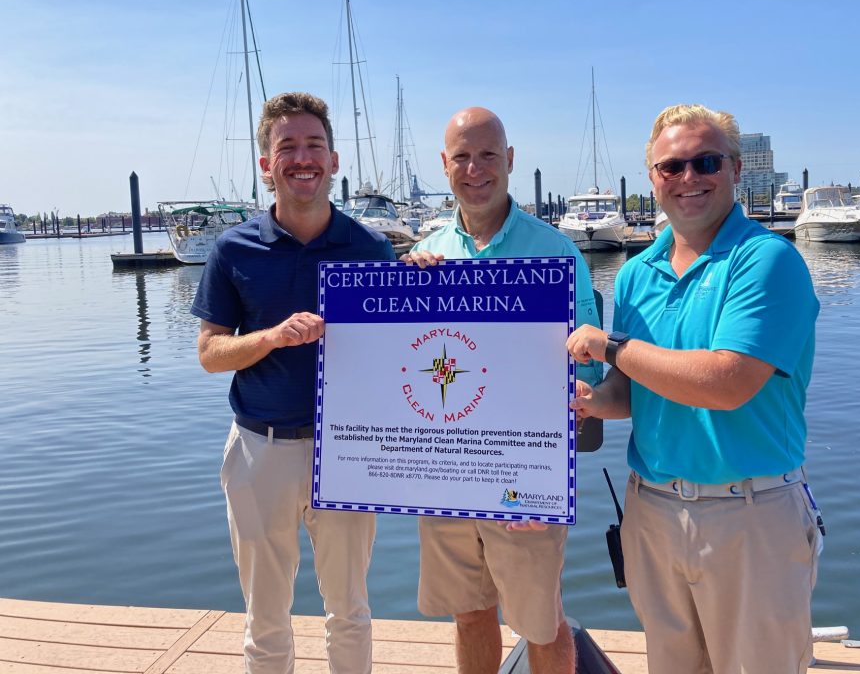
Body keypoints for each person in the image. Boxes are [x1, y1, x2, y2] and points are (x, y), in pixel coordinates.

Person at [566, 103, 822, 674]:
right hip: (651, 510)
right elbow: (632, 390)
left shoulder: (767, 260)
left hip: (749, 514)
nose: (688, 178)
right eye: (670, 166)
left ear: (734, 168)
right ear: (652, 177)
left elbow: (727, 382)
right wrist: (584, 401)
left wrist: (610, 346)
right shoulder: (636, 273)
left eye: (705, 162)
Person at [192, 92, 396, 674]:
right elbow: (209, 354)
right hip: (261, 449)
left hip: (349, 449)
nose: (301, 158)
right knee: (265, 618)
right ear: (266, 164)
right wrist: (271, 338)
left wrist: (419, 281)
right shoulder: (234, 249)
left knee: (351, 612)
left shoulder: (372, 247)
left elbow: (402, 348)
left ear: (334, 161)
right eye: (287, 147)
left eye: (314, 146)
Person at [404, 107, 602, 674]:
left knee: (541, 623)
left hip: (523, 477)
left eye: (488, 154)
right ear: (444, 165)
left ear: (510, 160)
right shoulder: (428, 252)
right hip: (443, 471)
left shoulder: (556, 253)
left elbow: (586, 368)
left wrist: (543, 459)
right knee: (468, 613)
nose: (475, 168)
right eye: (462, 156)